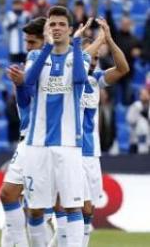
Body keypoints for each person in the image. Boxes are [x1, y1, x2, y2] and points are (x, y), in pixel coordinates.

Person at [22, 6, 91, 246]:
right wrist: (47, 47)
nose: (57, 28)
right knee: (35, 210)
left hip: (68, 144)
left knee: (73, 206)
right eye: (52, 24)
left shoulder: (80, 55)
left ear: (70, 30)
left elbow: (80, 80)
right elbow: (27, 83)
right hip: (37, 144)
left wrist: (80, 44)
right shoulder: (35, 56)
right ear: (46, 28)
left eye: (62, 24)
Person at [66, 18, 128, 246]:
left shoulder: (96, 80)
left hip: (92, 153)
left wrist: (109, 40)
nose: (92, 62)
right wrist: (96, 40)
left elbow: (123, 68)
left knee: (88, 209)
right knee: (72, 206)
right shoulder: (69, 77)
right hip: (70, 149)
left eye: (94, 58)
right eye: (88, 57)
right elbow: (74, 62)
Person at [0, 16, 46, 247]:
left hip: (41, 140)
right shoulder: (33, 59)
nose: (27, 47)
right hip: (29, 135)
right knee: (25, 203)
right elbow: (26, 101)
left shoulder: (41, 59)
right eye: (26, 42)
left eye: (32, 42)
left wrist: (23, 83)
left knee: (21, 200)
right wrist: (20, 85)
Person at [3, 0, 32, 64]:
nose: (18, 6)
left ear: (22, 5)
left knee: (25, 66)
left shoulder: (26, 15)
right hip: (14, 45)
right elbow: (6, 27)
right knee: (13, 66)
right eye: (16, 5)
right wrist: (14, 23)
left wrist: (27, 23)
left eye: (19, 5)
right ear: (13, 6)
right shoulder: (9, 15)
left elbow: (31, 28)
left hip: (25, 45)